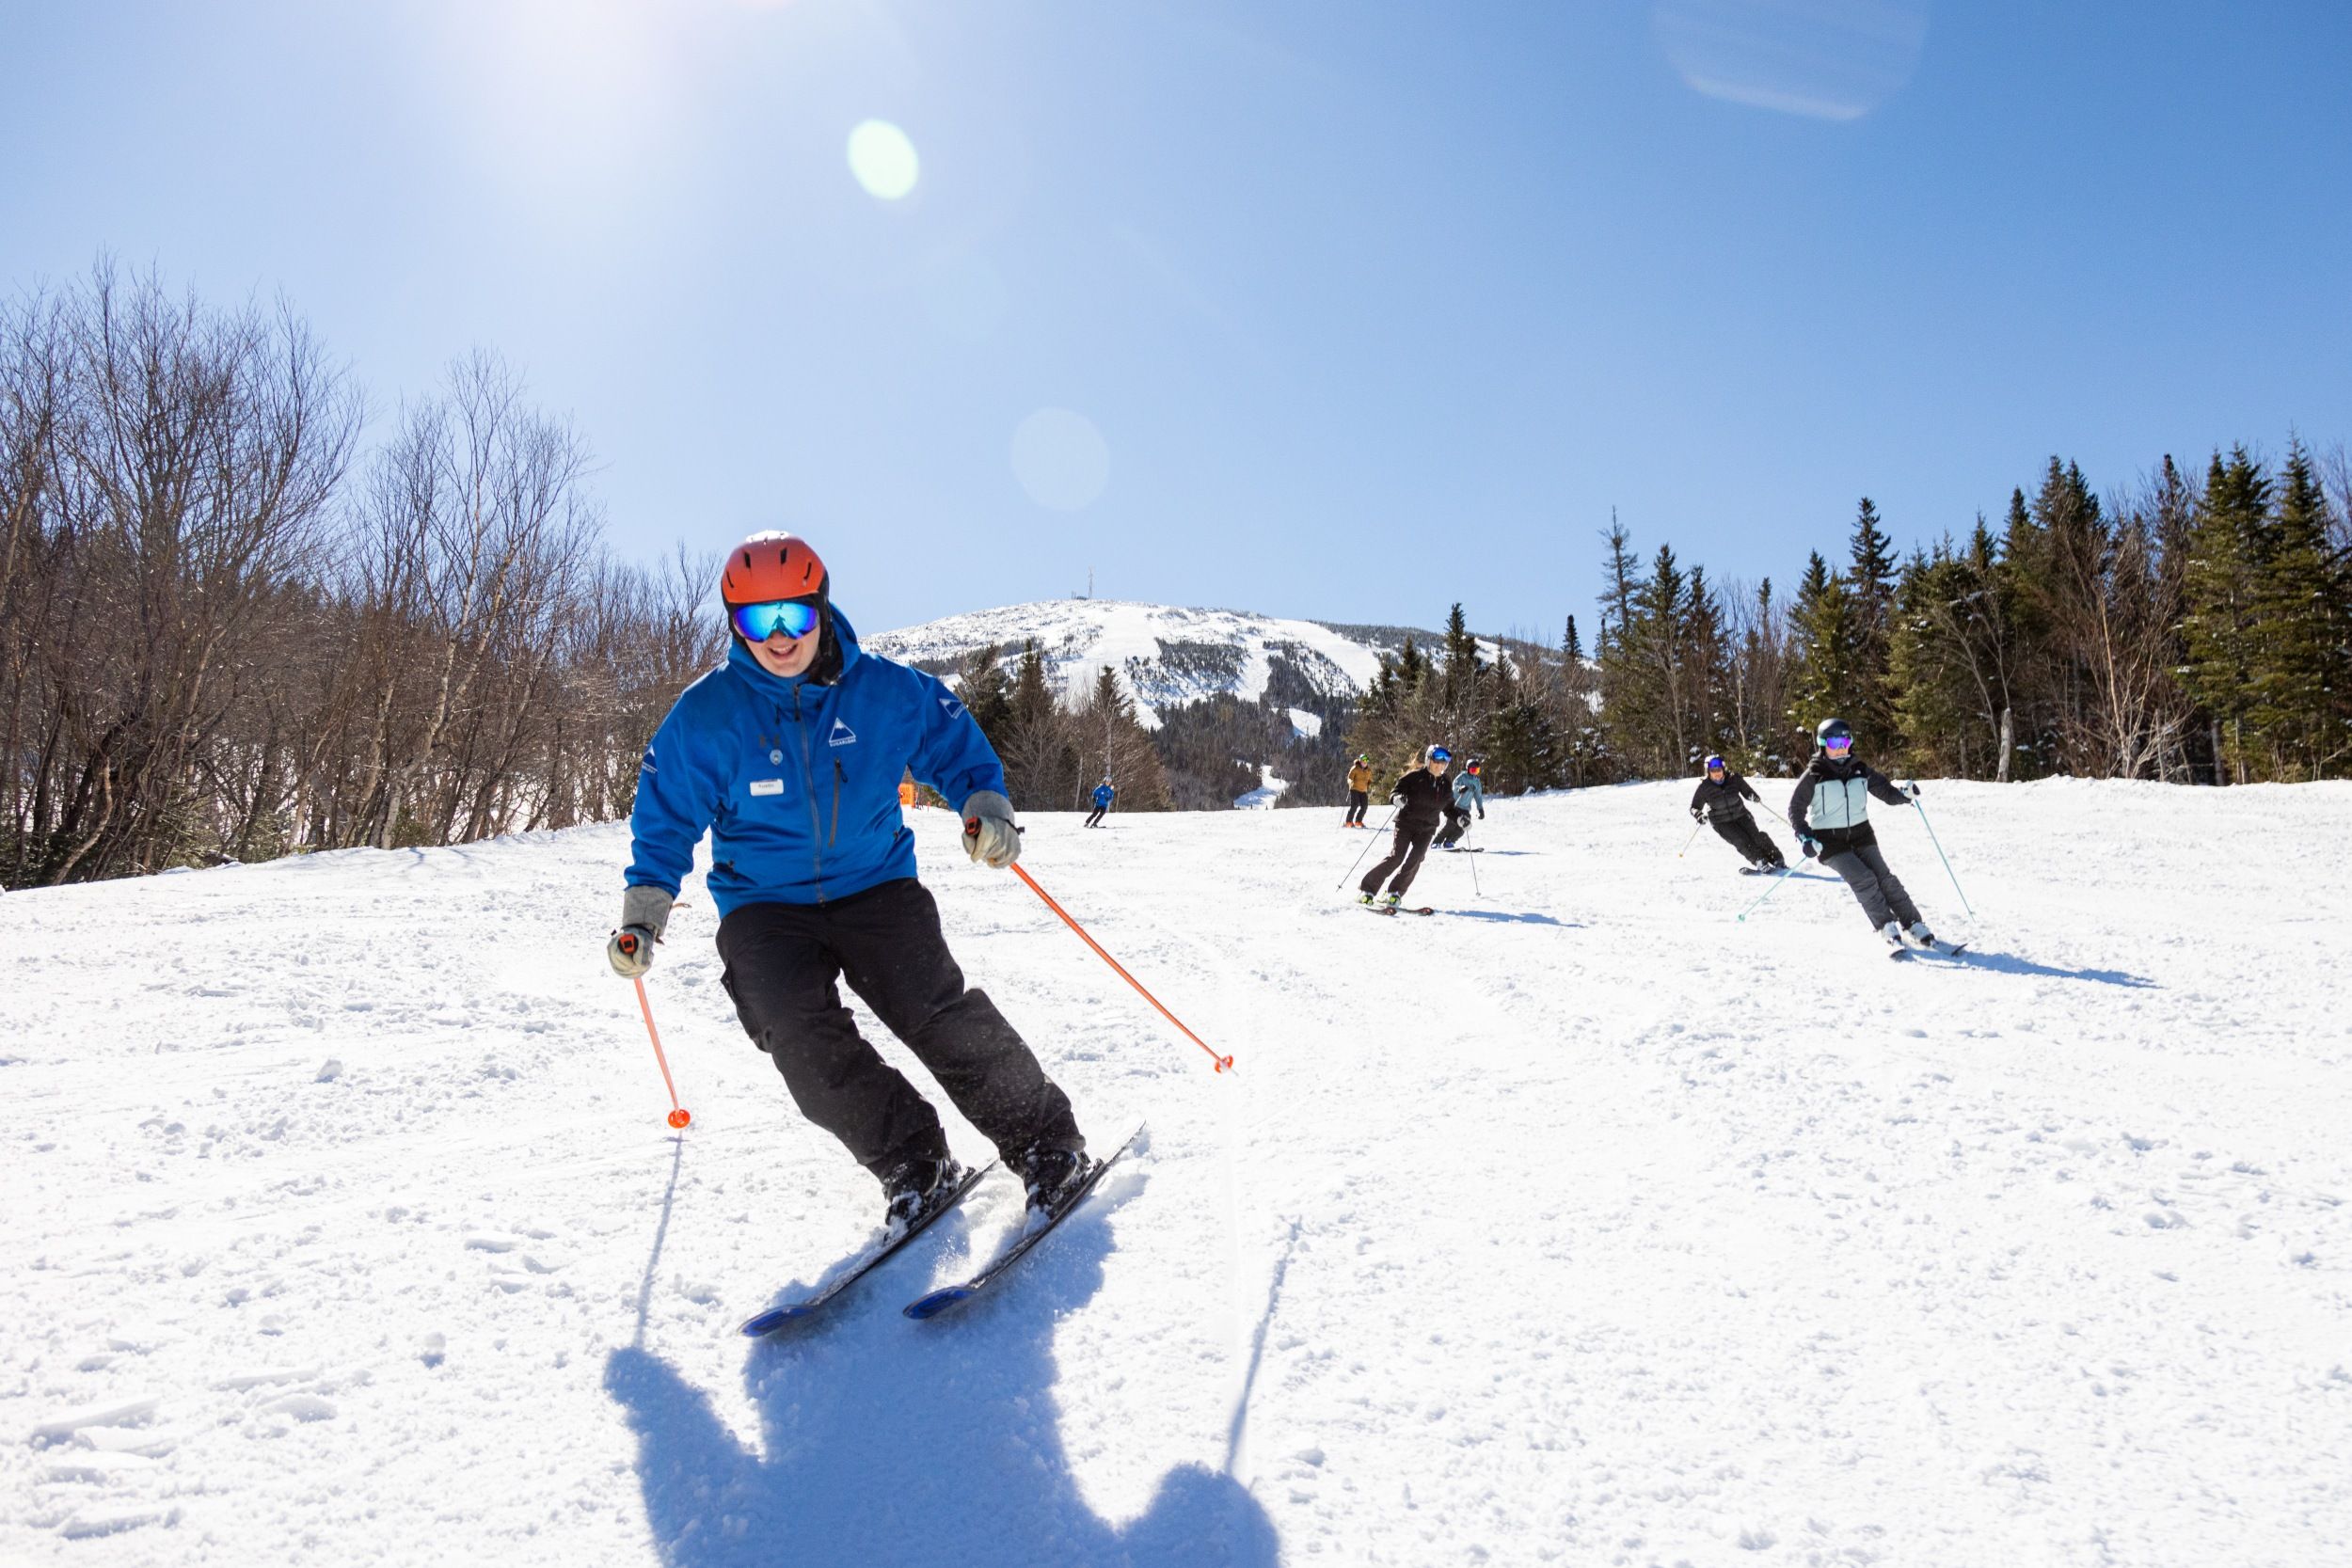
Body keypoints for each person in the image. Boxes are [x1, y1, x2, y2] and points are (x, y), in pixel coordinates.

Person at [607, 531, 1093, 1225]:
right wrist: (642, 914)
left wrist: (984, 807)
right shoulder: (705, 718)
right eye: (757, 621)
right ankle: (912, 1158)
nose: (779, 638)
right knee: (795, 1035)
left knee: (934, 1012)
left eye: (795, 617)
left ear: (821, 608)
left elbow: (954, 745)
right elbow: (665, 819)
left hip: (876, 885)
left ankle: (1049, 1146)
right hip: (763, 905)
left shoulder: (884, 691)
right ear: (733, 623)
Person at [1786, 718, 1937, 949]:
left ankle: (1913, 923)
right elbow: (1795, 810)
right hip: (1829, 842)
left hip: (1861, 834)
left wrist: (1904, 796)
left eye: (1846, 742)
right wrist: (1805, 837)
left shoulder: (1859, 769)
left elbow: (1885, 792)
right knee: (1864, 879)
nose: (1841, 749)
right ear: (1823, 744)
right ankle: (1886, 926)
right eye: (1835, 743)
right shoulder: (1814, 774)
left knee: (1885, 878)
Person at [1358, 744, 1453, 909]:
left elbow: (1449, 806)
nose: (1441, 765)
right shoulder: (1414, 777)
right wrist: (1397, 799)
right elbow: (1395, 791)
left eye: (1444, 762)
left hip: (1428, 828)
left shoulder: (1445, 783)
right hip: (1406, 824)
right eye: (1437, 760)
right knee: (1397, 857)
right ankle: (1367, 890)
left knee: (1415, 859)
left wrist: (1460, 818)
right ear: (1429, 760)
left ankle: (1394, 892)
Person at [1689, 754, 1786, 871]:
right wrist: (1699, 815)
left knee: (1756, 836)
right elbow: (1694, 807)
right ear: (1708, 772)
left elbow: (1747, 791)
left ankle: (1776, 858)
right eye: (1713, 771)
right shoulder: (1704, 788)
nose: (1717, 773)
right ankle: (1759, 860)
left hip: (1741, 814)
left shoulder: (1734, 779)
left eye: (1719, 770)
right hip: (1721, 822)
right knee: (1741, 840)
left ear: (1723, 769)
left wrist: (1752, 796)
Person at [1436, 755, 1486, 849]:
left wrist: (1480, 809)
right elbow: (1454, 787)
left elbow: (1478, 796)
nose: (1474, 773)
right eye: (1472, 770)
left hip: (1465, 808)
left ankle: (1449, 841)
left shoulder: (1477, 782)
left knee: (1464, 825)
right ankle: (1437, 842)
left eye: (1476, 770)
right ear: (1468, 769)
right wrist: (1460, 789)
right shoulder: (1462, 777)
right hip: (1455, 805)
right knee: (1450, 825)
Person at [1343, 753, 1375, 828]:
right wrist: (1350, 782)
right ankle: (1348, 822)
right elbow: (1349, 778)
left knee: (1365, 806)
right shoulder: (1355, 768)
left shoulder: (1368, 770)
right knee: (1355, 805)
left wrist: (1369, 784)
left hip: (1363, 790)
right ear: (1360, 761)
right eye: (1363, 760)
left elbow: (1370, 780)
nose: (1365, 762)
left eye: (1366, 760)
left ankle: (1358, 821)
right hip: (1355, 789)